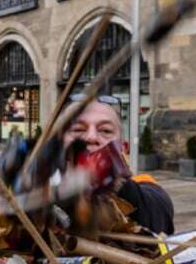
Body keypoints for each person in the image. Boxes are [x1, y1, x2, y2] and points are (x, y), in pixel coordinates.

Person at [62, 96, 174, 234]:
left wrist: (116, 183)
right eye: (78, 129)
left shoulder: (147, 191)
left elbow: (158, 211)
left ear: (123, 148)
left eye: (105, 130)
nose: (91, 137)